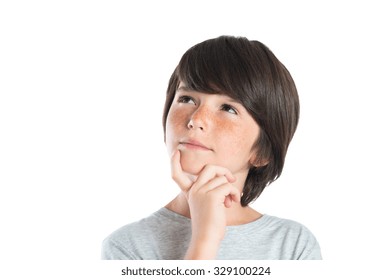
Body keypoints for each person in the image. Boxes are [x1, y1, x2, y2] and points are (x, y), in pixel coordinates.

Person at [101, 35, 322, 260]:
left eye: (228, 108)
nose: (196, 119)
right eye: (187, 99)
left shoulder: (293, 247)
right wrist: (204, 238)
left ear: (262, 152)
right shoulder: (125, 247)